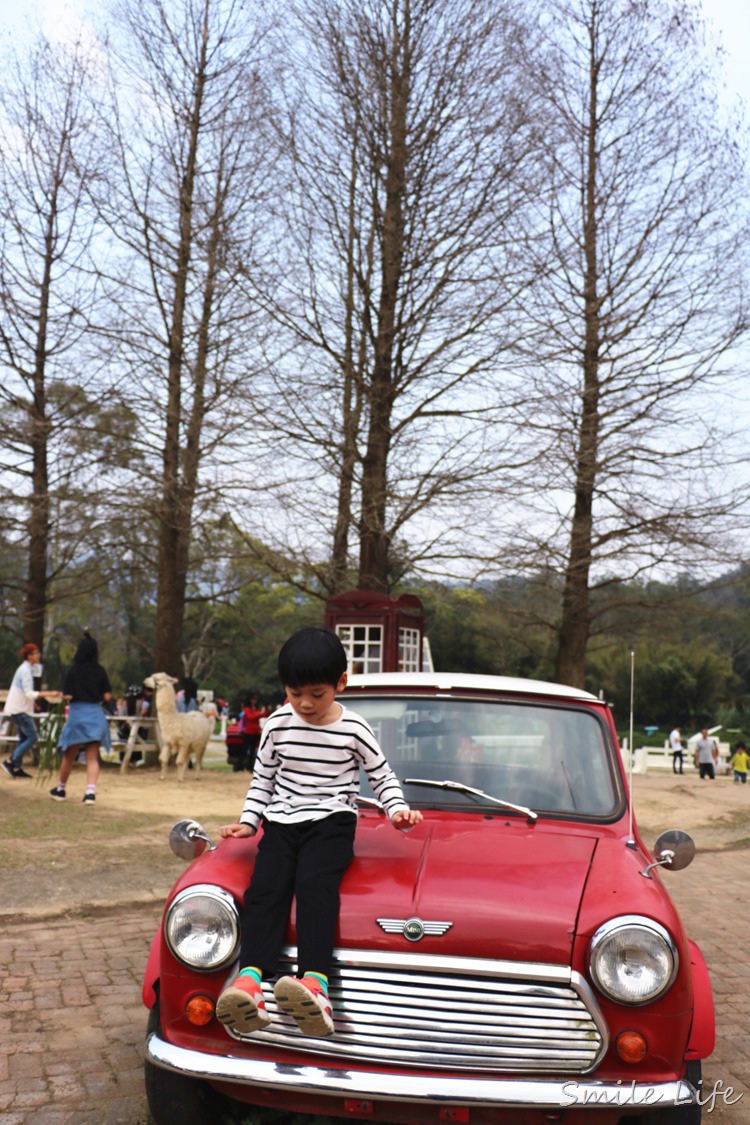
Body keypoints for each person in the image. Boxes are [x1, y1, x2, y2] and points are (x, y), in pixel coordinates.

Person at [215, 626, 423, 1039]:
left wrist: (397, 809)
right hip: (281, 821)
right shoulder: (276, 725)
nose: (305, 704)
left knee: (314, 887)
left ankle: (315, 984)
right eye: (295, 694)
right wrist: (249, 821)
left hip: (332, 822)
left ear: (340, 684)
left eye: (317, 693)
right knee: (266, 889)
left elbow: (380, 775)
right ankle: (251, 981)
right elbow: (263, 779)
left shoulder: (354, 729)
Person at [49, 632, 112, 804]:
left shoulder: (72, 671)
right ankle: (90, 793)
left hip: (77, 715)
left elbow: (67, 696)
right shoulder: (100, 671)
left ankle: (61, 789)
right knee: (92, 756)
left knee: (69, 754)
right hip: (95, 715)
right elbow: (106, 697)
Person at [2, 643, 61, 778]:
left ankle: (16, 768)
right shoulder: (26, 671)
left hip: (18, 708)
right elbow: (28, 693)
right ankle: (10, 761)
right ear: (29, 656)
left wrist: (32, 703)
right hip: (20, 710)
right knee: (32, 737)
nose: (38, 655)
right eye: (35, 653)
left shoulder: (24, 669)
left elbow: (23, 692)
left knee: (24, 739)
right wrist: (49, 693)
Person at [237, 692, 266, 772]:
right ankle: (239, 766)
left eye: (256, 699)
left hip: (255, 731)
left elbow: (263, 715)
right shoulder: (247, 709)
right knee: (245, 750)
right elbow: (251, 717)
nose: (255, 701)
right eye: (253, 699)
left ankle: (250, 767)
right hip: (248, 732)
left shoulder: (256, 709)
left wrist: (264, 712)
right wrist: (260, 713)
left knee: (253, 750)